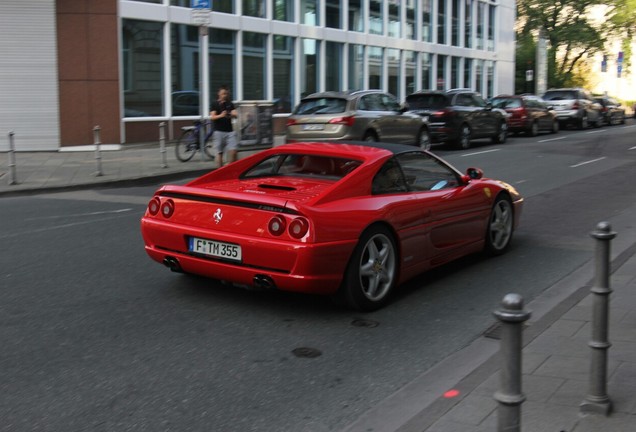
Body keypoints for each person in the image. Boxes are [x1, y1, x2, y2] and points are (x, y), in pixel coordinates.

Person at [209, 85, 238, 168]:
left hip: (230, 131)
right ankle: (220, 172)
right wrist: (221, 115)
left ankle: (228, 167)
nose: (225, 95)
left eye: (226, 94)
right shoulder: (214, 103)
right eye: (223, 93)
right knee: (219, 153)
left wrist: (233, 114)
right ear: (219, 94)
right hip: (218, 131)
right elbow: (213, 117)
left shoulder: (230, 103)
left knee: (234, 151)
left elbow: (235, 114)